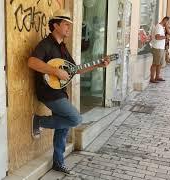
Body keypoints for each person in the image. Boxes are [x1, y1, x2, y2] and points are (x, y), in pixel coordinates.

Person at [27, 9, 110, 176]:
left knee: (63, 127)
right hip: (48, 92)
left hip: (60, 91)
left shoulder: (63, 48)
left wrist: (97, 65)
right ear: (55, 25)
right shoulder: (46, 44)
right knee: (74, 118)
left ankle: (58, 162)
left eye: (69, 25)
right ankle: (39, 121)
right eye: (66, 24)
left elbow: (74, 70)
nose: (69, 28)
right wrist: (55, 71)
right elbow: (32, 62)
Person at [150, 16, 170, 83]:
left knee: (159, 64)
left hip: (161, 48)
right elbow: (157, 37)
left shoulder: (162, 27)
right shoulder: (158, 27)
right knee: (155, 63)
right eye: (168, 22)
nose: (168, 24)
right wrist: (165, 37)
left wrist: (167, 28)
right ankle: (152, 78)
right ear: (165, 20)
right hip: (157, 47)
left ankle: (157, 77)